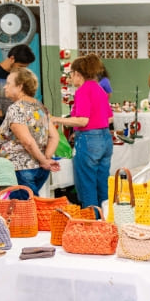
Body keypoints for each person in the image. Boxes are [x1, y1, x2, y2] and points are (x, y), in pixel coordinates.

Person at [50, 54, 113, 208]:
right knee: (102, 185)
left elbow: (83, 120)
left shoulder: (83, 90)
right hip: (105, 139)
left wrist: (55, 119)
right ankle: (104, 221)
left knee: (87, 186)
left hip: (89, 140)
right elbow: (109, 118)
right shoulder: (99, 88)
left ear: (78, 73)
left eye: (71, 74)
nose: (70, 78)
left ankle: (91, 225)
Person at [0, 68, 60, 199]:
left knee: (23, 212)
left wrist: (44, 161)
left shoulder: (16, 108)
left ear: (19, 87)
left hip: (21, 169)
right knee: (30, 208)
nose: (5, 87)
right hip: (39, 170)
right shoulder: (41, 107)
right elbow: (54, 136)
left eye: (8, 83)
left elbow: (28, 142)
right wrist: (45, 159)